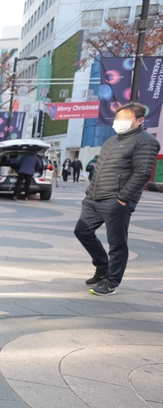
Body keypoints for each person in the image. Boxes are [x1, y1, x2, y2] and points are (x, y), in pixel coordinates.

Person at [73, 103, 160, 296]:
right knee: (82, 231)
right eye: (118, 118)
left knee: (117, 243)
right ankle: (103, 267)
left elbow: (143, 173)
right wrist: (89, 193)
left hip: (116, 200)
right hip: (94, 198)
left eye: (125, 119)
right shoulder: (111, 141)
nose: (119, 122)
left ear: (139, 121)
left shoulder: (146, 141)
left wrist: (122, 199)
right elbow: (100, 169)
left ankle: (111, 281)